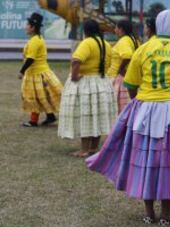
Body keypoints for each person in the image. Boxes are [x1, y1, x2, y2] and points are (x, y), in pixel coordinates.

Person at [86, 10, 170, 226]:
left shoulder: (144, 48)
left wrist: (139, 102)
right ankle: (166, 215)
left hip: (146, 111)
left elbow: (131, 83)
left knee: (147, 161)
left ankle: (149, 213)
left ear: (157, 25)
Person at [58, 19, 116, 158]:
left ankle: (84, 150)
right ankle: (93, 148)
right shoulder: (106, 44)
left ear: (86, 31)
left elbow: (76, 60)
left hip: (87, 83)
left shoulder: (87, 42)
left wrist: (74, 76)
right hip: (102, 83)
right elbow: (109, 63)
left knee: (86, 115)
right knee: (97, 116)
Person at [19, 12, 63, 127]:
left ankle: (34, 121)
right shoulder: (38, 38)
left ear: (32, 27)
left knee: (37, 97)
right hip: (38, 73)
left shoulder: (35, 41)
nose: (26, 27)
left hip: (37, 74)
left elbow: (30, 59)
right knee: (41, 97)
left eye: (27, 25)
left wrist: (21, 71)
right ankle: (50, 116)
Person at [107, 20, 138, 114]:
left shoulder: (123, 41)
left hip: (119, 79)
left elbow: (127, 56)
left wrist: (120, 70)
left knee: (119, 111)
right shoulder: (133, 40)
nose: (114, 30)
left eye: (116, 28)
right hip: (127, 77)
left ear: (121, 29)